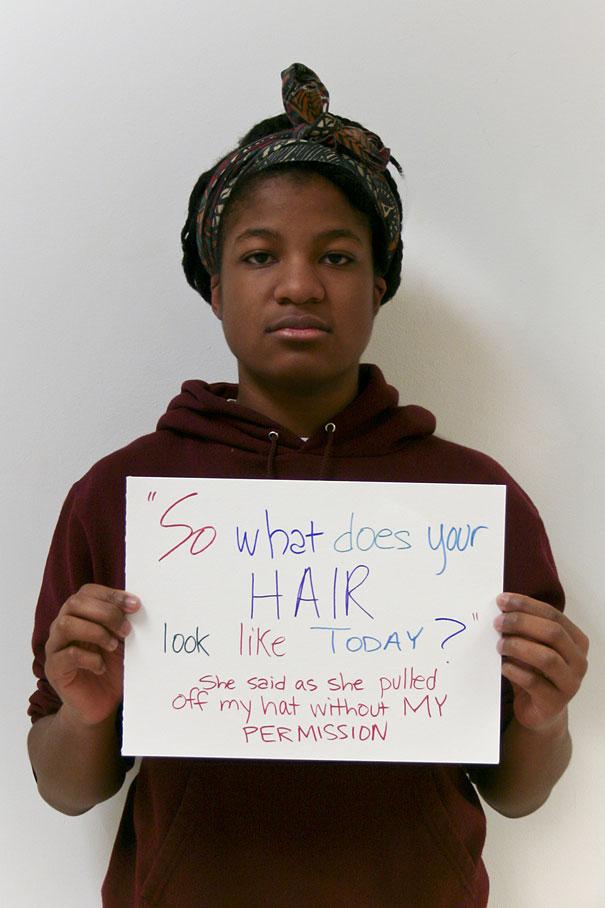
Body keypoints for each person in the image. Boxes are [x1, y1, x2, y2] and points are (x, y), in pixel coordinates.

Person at [28, 63, 588, 907]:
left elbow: (516, 793)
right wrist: (84, 711)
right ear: (215, 288)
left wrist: (545, 716)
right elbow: (65, 789)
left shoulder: (474, 499)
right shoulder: (120, 495)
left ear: (378, 285)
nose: (298, 284)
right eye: (259, 256)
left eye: (336, 256)